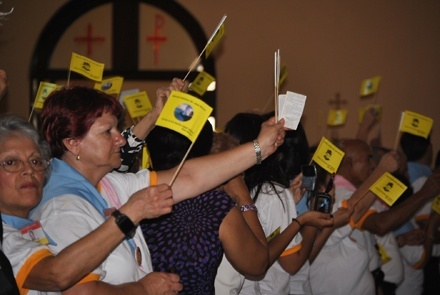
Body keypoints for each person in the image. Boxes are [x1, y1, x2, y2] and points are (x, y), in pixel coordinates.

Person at [34, 85, 285, 294]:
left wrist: (260, 148)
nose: (120, 139)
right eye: (107, 132)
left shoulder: (108, 183)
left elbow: (189, 176)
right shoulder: (63, 207)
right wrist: (142, 289)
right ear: (73, 143)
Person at [0, 114, 182, 294]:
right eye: (11, 162)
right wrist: (129, 215)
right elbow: (57, 275)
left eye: (35, 161)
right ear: (72, 143)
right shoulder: (7, 236)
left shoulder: (28, 226)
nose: (29, 170)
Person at [143, 125, 268, 294]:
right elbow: (257, 263)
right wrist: (243, 197)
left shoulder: (130, 193)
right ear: (205, 153)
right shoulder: (214, 206)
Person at [225, 117, 334, 294]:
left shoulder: (247, 187)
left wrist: (288, 203)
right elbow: (292, 264)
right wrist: (307, 220)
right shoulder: (273, 193)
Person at [309, 138, 399, 295]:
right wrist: (382, 170)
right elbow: (355, 208)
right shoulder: (317, 219)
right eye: (331, 183)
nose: (335, 188)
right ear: (322, 188)